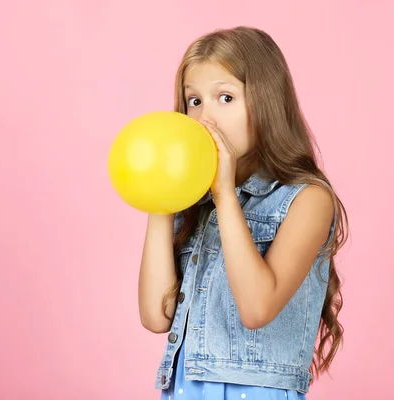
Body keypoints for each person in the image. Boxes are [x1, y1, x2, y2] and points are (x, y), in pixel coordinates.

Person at [138, 26, 349, 400]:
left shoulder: (308, 199)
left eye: (225, 97)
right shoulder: (194, 204)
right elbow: (157, 316)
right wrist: (159, 200)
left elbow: (256, 309)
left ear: (266, 101)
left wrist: (224, 195)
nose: (206, 118)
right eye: (194, 101)